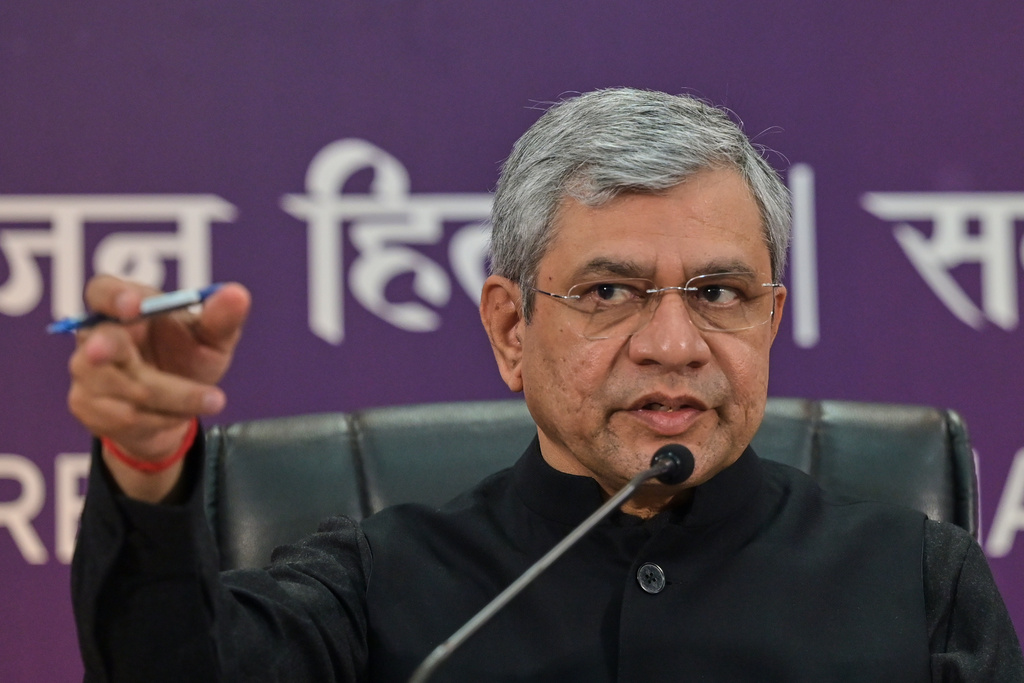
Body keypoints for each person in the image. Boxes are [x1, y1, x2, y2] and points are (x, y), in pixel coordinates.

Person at [69, 88, 1023, 682]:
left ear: (771, 319)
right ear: (511, 327)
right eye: (610, 291)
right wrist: (150, 465)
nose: (674, 342)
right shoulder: (381, 584)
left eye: (720, 292)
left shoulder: (919, 583)